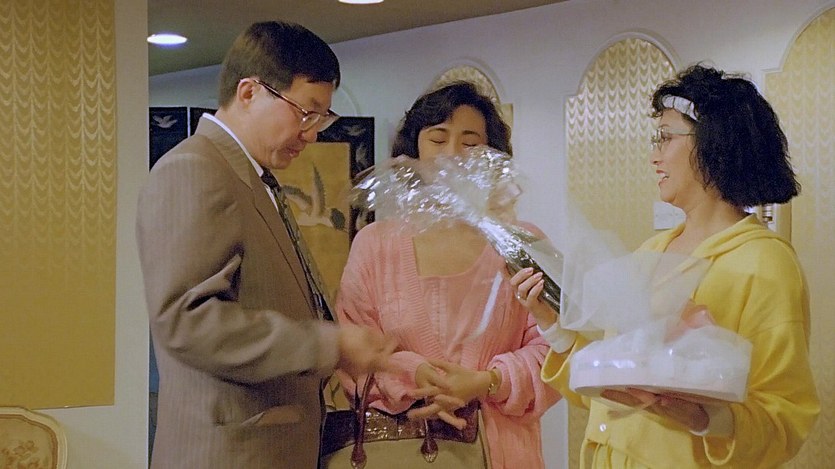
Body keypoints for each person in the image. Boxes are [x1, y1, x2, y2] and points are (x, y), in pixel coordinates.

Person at [511, 64, 820, 468]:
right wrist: (551, 324)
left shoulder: (765, 264)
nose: (654, 156)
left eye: (665, 138)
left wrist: (703, 418)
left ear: (713, 143)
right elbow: (614, 387)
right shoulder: (651, 252)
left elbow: (785, 419)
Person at [136, 21, 395, 469]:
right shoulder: (195, 169)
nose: (313, 133)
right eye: (305, 112)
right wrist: (326, 345)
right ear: (250, 92)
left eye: (322, 118)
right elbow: (186, 320)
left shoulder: (249, 176)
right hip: (228, 454)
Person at [335, 81, 560, 468]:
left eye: (470, 143)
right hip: (400, 453)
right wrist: (416, 375)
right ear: (413, 150)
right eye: (438, 139)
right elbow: (352, 348)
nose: (453, 153)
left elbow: (556, 352)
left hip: (502, 453)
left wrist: (487, 381)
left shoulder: (521, 243)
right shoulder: (375, 245)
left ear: (492, 157)